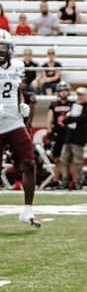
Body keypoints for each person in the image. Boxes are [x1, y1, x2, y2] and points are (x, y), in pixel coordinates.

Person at [0, 31, 40, 226]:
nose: (0, 51)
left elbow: (17, 90)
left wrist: (21, 105)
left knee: (29, 163)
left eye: (4, 47)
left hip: (14, 122)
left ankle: (27, 211)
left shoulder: (17, 66)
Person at [60, 87, 87, 190]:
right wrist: (71, 118)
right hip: (68, 137)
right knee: (64, 160)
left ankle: (78, 181)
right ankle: (65, 180)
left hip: (78, 138)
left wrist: (71, 118)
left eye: (82, 95)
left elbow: (82, 118)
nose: (79, 97)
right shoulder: (73, 106)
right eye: (78, 95)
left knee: (78, 161)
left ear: (86, 96)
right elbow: (65, 120)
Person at [46, 81, 73, 189]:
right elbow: (49, 119)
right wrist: (49, 133)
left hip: (69, 134)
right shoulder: (53, 105)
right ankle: (56, 180)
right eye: (61, 91)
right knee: (57, 159)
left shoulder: (72, 104)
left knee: (69, 159)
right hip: (58, 133)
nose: (63, 93)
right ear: (58, 92)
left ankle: (68, 180)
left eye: (65, 90)